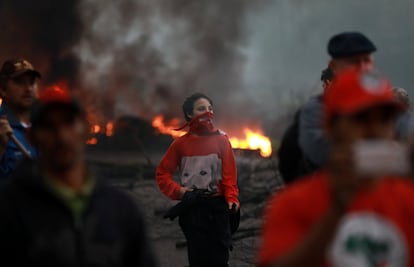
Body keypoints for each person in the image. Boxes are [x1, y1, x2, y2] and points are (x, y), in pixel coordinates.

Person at [257, 68, 414, 267]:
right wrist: (336, 210)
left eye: (385, 119)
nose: (375, 129)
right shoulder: (295, 203)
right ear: (332, 128)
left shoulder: (407, 199)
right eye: (361, 118)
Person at [0, 86, 156, 266]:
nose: (62, 136)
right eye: (49, 126)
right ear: (32, 137)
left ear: (86, 131)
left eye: (69, 123)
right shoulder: (10, 210)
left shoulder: (121, 209)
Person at [278, 32, 378, 184]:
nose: (363, 68)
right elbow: (320, 153)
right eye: (354, 62)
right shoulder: (315, 110)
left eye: (367, 60)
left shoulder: (384, 106)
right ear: (334, 66)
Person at [156, 93, 239, 267]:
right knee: (198, 259)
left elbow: (229, 177)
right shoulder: (180, 144)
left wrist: (232, 199)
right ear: (189, 115)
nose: (207, 113)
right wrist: (179, 191)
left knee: (219, 259)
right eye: (201, 109)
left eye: (210, 109)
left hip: (218, 209)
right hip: (193, 209)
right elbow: (163, 173)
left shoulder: (222, 140)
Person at [0, 58, 39, 180]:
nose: (28, 89)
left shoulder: (42, 127)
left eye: (32, 82)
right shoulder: (2, 129)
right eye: (20, 82)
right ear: (3, 90)